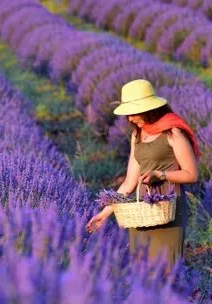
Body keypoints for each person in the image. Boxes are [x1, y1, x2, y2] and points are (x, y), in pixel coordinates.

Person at [85, 79, 200, 270]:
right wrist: (105, 213)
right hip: (142, 211)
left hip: (168, 208)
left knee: (166, 270)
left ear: (148, 109)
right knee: (140, 270)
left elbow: (191, 174)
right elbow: (129, 183)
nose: (129, 119)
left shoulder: (173, 133)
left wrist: (161, 175)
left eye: (133, 113)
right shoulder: (137, 135)